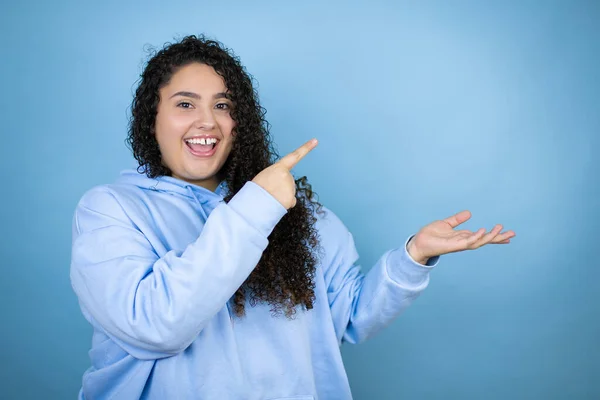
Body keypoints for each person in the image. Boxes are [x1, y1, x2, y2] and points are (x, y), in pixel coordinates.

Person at [70, 35, 515, 400]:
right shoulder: (111, 210)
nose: (207, 121)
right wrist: (255, 207)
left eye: (223, 106)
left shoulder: (293, 213)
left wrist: (413, 257)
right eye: (185, 104)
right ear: (153, 119)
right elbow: (154, 326)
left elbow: (351, 317)